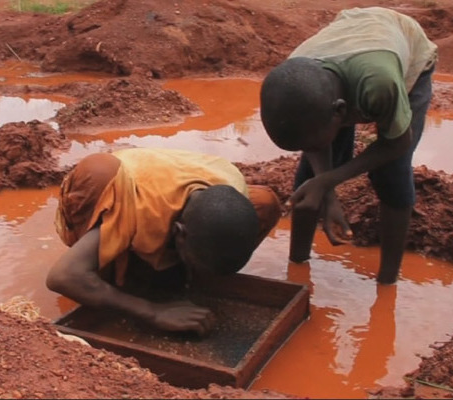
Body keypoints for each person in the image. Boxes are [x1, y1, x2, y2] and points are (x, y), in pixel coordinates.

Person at [260, 7, 437, 284]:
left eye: (317, 139)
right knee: (310, 176)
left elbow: (398, 143)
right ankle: (297, 266)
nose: (313, 146)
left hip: (404, 49)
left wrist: (330, 178)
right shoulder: (297, 77)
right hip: (345, 53)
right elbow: (314, 147)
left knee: (392, 173)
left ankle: (388, 280)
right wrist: (326, 189)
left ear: (341, 112)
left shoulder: (381, 85)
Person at [46, 148, 281, 335]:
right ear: (178, 232)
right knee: (99, 172)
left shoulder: (232, 187)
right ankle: (126, 263)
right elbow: (63, 277)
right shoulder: (135, 208)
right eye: (193, 261)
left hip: (165, 172)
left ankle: (168, 266)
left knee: (264, 202)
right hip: (117, 180)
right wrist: (152, 312)